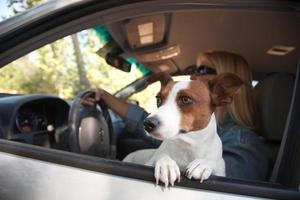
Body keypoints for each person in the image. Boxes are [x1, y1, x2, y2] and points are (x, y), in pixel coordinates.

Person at [83, 50, 268, 181]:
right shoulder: (187, 129)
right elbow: (148, 123)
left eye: (202, 70)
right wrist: (105, 97)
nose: (193, 76)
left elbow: (230, 191)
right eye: (194, 69)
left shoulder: (243, 141)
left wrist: (209, 167)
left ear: (224, 89)